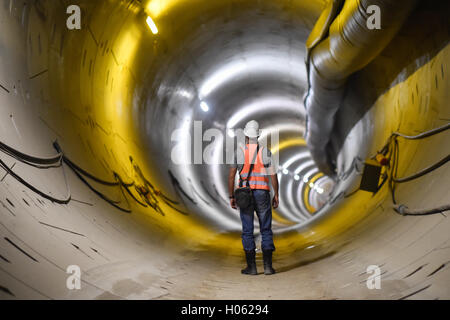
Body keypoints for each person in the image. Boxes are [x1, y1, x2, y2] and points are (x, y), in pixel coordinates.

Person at [228, 120, 279, 275]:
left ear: (246, 135)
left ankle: (252, 267)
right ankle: (268, 267)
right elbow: (273, 176)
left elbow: (231, 177)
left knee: (248, 230)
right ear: (258, 135)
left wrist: (231, 196)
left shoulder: (238, 152)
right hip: (263, 193)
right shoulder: (266, 152)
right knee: (265, 229)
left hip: (245, 195)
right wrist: (276, 194)